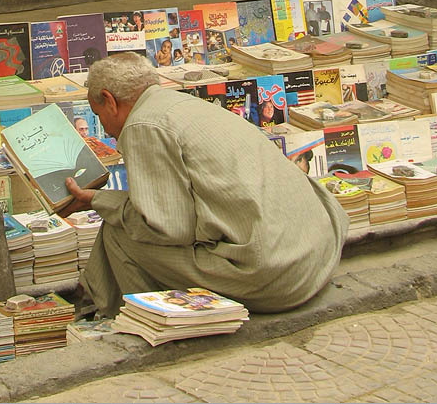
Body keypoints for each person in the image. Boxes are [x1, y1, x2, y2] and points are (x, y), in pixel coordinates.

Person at [59, 52, 349, 318]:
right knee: (127, 219)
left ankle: (149, 324)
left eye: (99, 116)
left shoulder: (141, 125)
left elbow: (167, 227)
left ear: (110, 100)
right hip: (317, 253)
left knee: (119, 234)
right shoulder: (184, 104)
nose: (106, 130)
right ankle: (98, 301)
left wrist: (99, 201)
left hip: (277, 276)